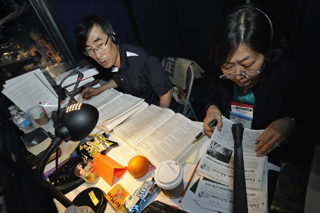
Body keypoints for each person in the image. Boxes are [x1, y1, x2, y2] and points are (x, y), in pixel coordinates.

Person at [203, 4, 304, 165]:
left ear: (268, 54)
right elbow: (210, 94)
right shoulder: (219, 72)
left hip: (268, 158)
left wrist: (290, 122)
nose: (237, 75)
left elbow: (308, 114)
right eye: (228, 67)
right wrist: (212, 107)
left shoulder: (287, 72)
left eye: (248, 65)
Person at [74, 14, 178, 111]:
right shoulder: (111, 59)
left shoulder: (143, 59)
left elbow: (166, 93)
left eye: (100, 45)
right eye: (90, 50)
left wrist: (159, 116)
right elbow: (121, 78)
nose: (97, 56)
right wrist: (99, 89)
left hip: (161, 109)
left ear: (113, 37)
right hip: (139, 108)